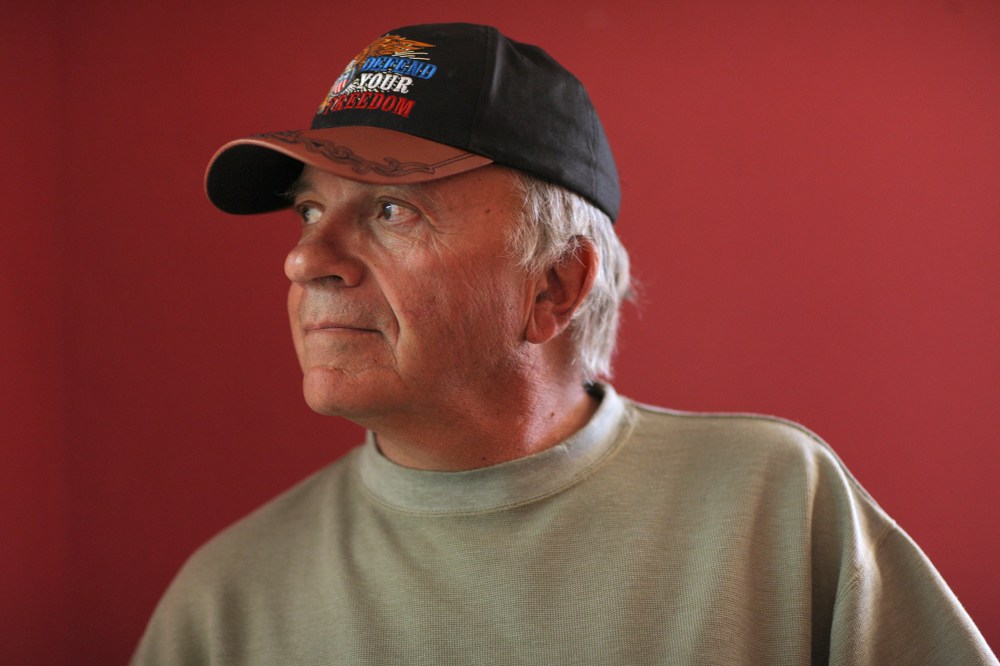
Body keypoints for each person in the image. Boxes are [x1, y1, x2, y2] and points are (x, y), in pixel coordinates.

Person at [132, 23, 997, 665]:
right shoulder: (226, 602)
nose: (303, 258)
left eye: (391, 208)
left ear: (555, 285)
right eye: (312, 208)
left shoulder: (770, 506)